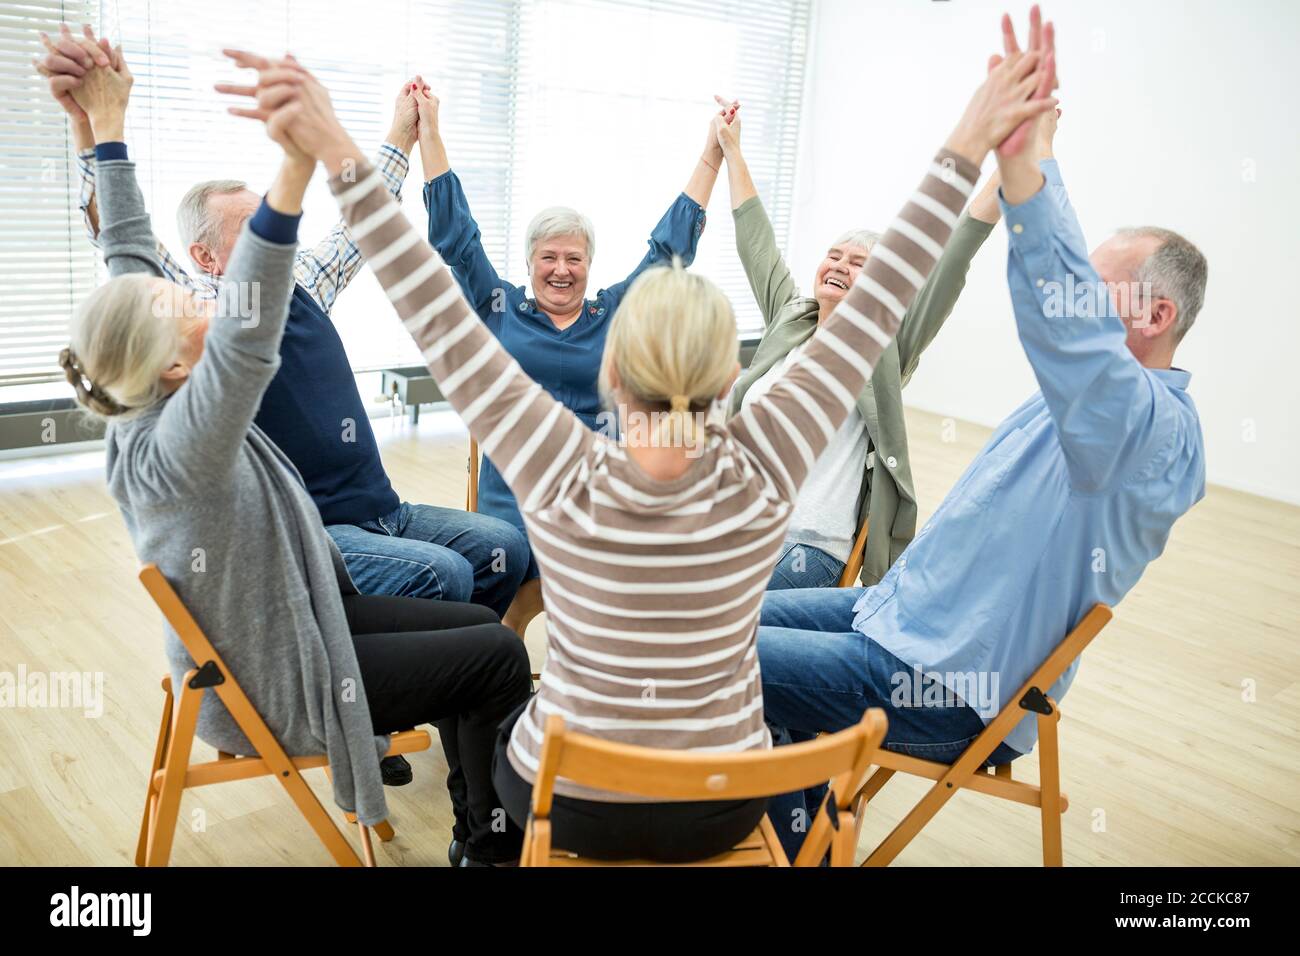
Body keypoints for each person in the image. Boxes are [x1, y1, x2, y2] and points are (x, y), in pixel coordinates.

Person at [223, 32, 1057, 861]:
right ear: (730, 383)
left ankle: (484, 844)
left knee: (506, 713)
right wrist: (973, 138)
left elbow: (430, 303)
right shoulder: (768, 459)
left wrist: (332, 145)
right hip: (721, 805)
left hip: (571, 799)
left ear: (610, 372)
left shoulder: (557, 465)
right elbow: (887, 292)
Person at [54, 40, 531, 867]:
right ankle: (489, 847)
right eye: (182, 293)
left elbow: (125, 249)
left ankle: (478, 816)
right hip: (279, 671)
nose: (191, 292)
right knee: (494, 654)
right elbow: (246, 329)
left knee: (476, 621)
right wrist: (294, 161)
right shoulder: (183, 439)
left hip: (304, 612)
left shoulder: (149, 382)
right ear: (172, 361)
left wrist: (106, 123)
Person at [757, 8, 1207, 858]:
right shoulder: (1095, 405)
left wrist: (1029, 167)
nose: (1076, 299)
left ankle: (786, 844)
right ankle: (798, 827)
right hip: (893, 618)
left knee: (708, 651)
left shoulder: (1150, 435)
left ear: (1155, 314)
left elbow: (1069, 335)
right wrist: (1032, 152)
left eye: (1097, 287)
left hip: (948, 686)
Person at [38, 26, 530, 624]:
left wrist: (403, 130)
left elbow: (361, 226)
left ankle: (460, 674)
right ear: (204, 258)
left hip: (385, 510)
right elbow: (118, 234)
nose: (277, 231)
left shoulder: (303, 283)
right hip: (316, 533)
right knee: (444, 574)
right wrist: (92, 125)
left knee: (504, 546)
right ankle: (416, 672)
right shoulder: (198, 313)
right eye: (253, 224)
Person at [718, 100, 1050, 589]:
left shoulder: (884, 348)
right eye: (834, 255)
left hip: (804, 545)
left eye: (857, 264)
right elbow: (756, 239)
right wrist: (732, 149)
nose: (839, 265)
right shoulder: (788, 322)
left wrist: (1013, 161)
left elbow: (956, 249)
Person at [413, 84, 726, 583]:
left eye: (574, 259)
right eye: (549, 258)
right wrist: (429, 132)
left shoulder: (617, 313)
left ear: (589, 265)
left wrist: (712, 155)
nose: (561, 270)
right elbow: (457, 237)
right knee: (497, 569)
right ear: (531, 263)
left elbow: (669, 254)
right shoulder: (499, 306)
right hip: (511, 504)